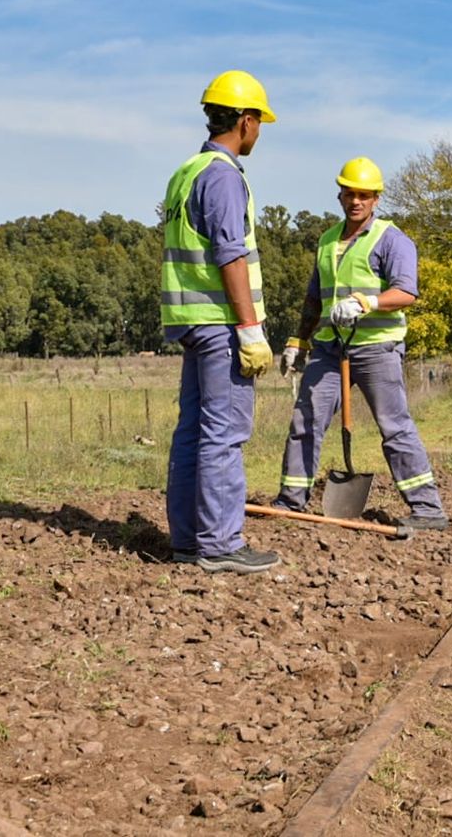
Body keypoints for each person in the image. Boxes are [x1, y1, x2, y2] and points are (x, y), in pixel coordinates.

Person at [273, 157, 452, 531]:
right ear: (340, 195)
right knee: (305, 420)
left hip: (376, 348)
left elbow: (406, 292)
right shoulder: (326, 240)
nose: (356, 201)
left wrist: (365, 302)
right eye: (350, 194)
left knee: (394, 425)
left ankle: (427, 509)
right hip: (328, 348)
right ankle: (291, 502)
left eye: (364, 196)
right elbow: (313, 297)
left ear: (375, 199)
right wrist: (299, 340)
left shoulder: (392, 239)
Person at [161, 70, 279, 574]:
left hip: (190, 320)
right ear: (246, 120)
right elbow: (231, 256)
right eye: (259, 122)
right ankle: (220, 543)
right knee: (224, 432)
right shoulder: (225, 176)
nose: (259, 132)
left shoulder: (187, 171)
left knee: (194, 431)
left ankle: (189, 541)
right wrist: (250, 329)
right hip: (220, 324)